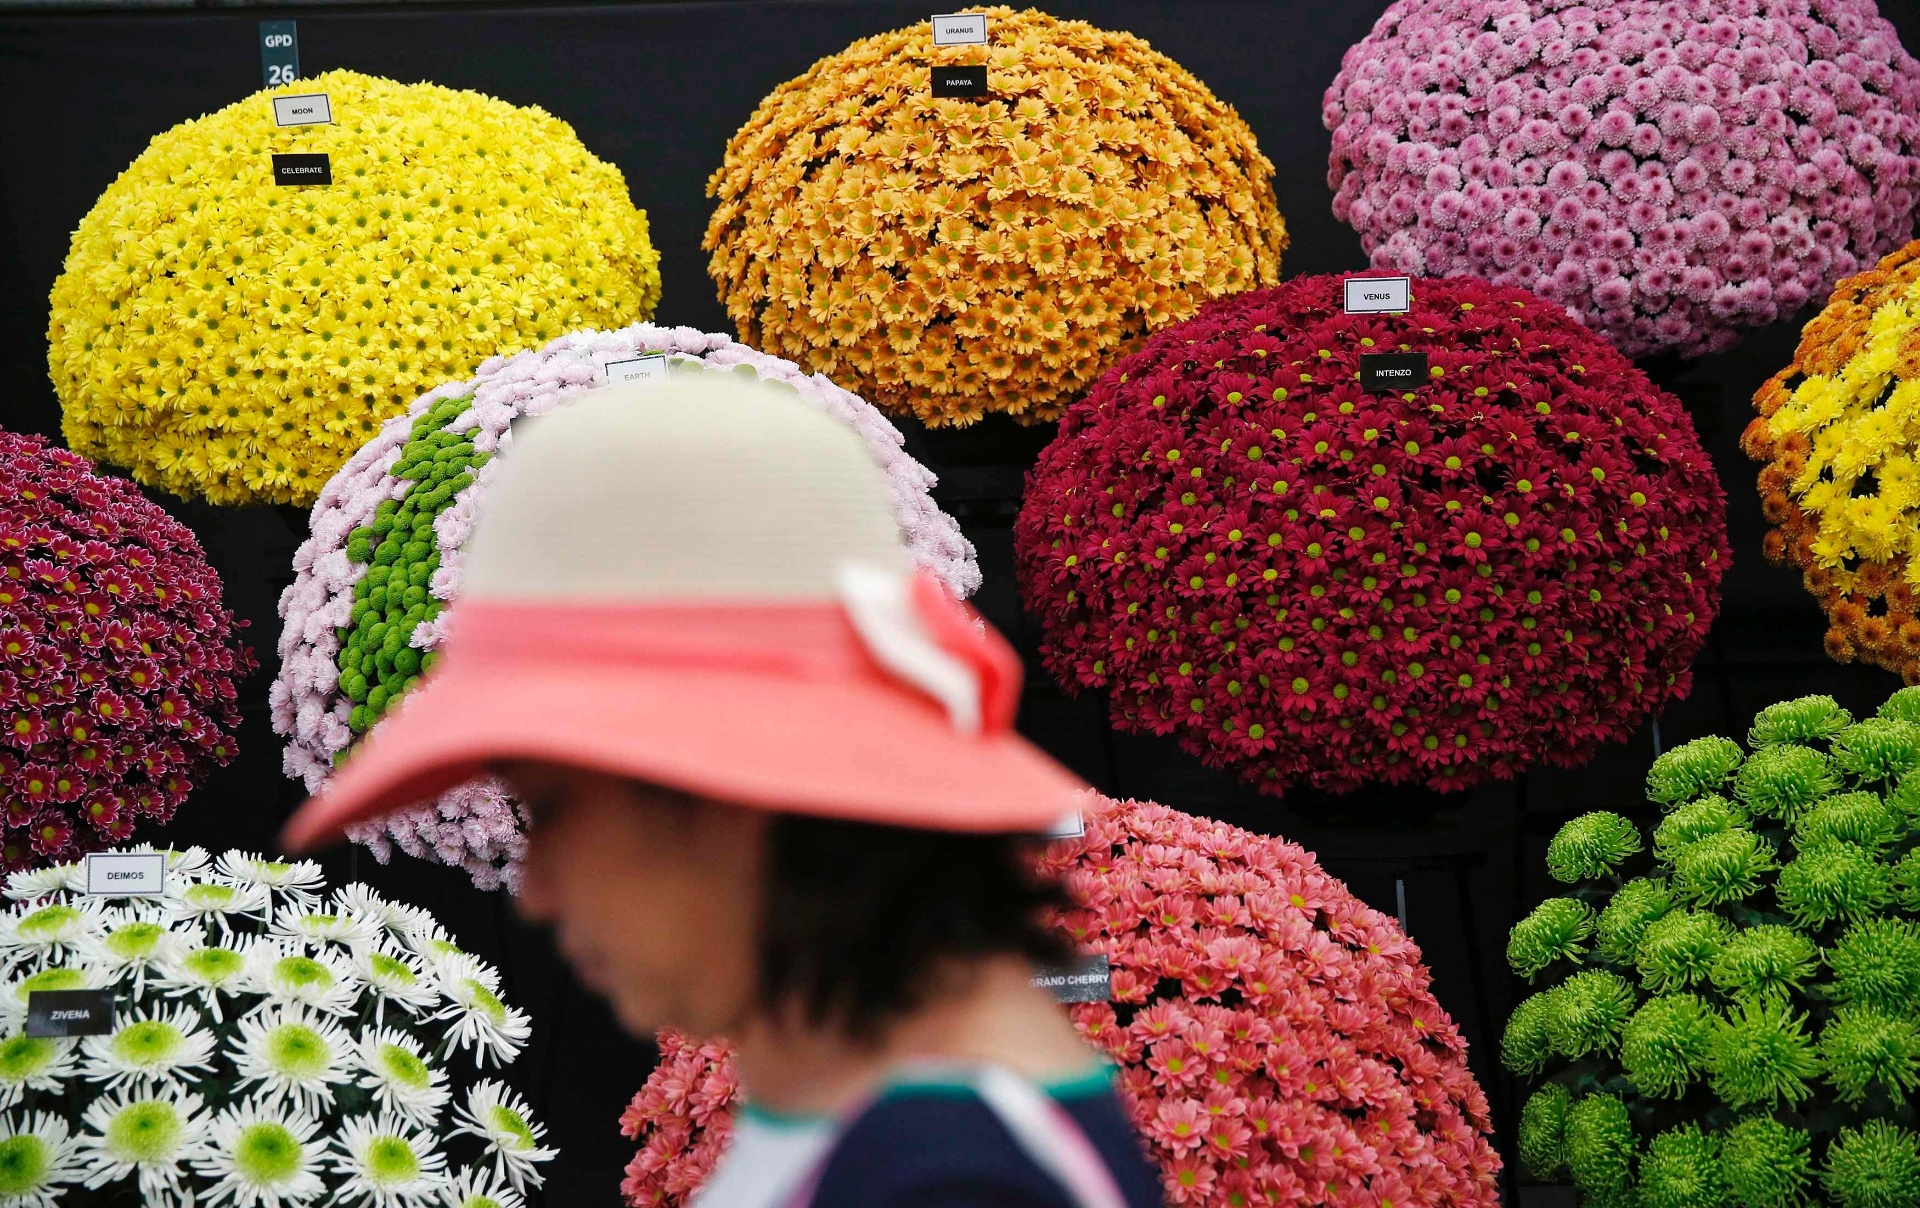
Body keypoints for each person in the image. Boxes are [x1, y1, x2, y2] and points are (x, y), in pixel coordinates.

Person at [282, 374, 1167, 1208]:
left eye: (552, 808)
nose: (540, 888)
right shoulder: (879, 1100)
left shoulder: (949, 1175)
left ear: (725, 789)